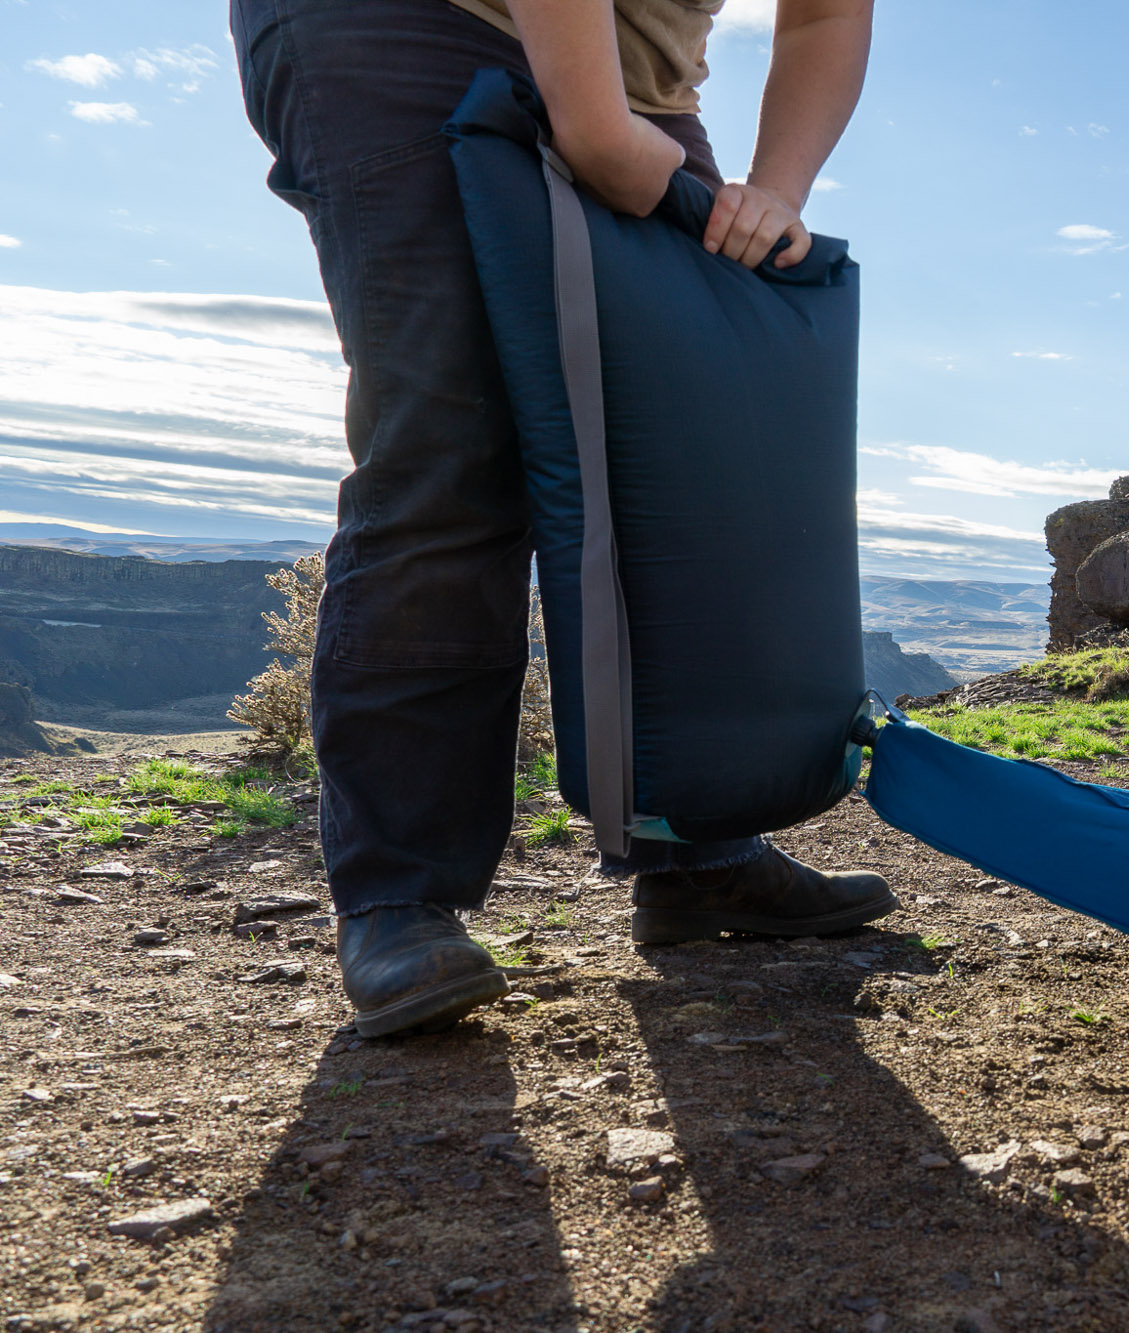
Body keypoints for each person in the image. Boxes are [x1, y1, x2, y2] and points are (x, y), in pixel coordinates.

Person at [229, 0, 892, 1040]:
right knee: (457, 440)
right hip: (402, 24)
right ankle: (399, 895)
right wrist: (590, 124)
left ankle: (698, 849)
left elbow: (821, 17)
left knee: (696, 454)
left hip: (636, 76)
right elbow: (593, 127)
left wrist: (773, 191)